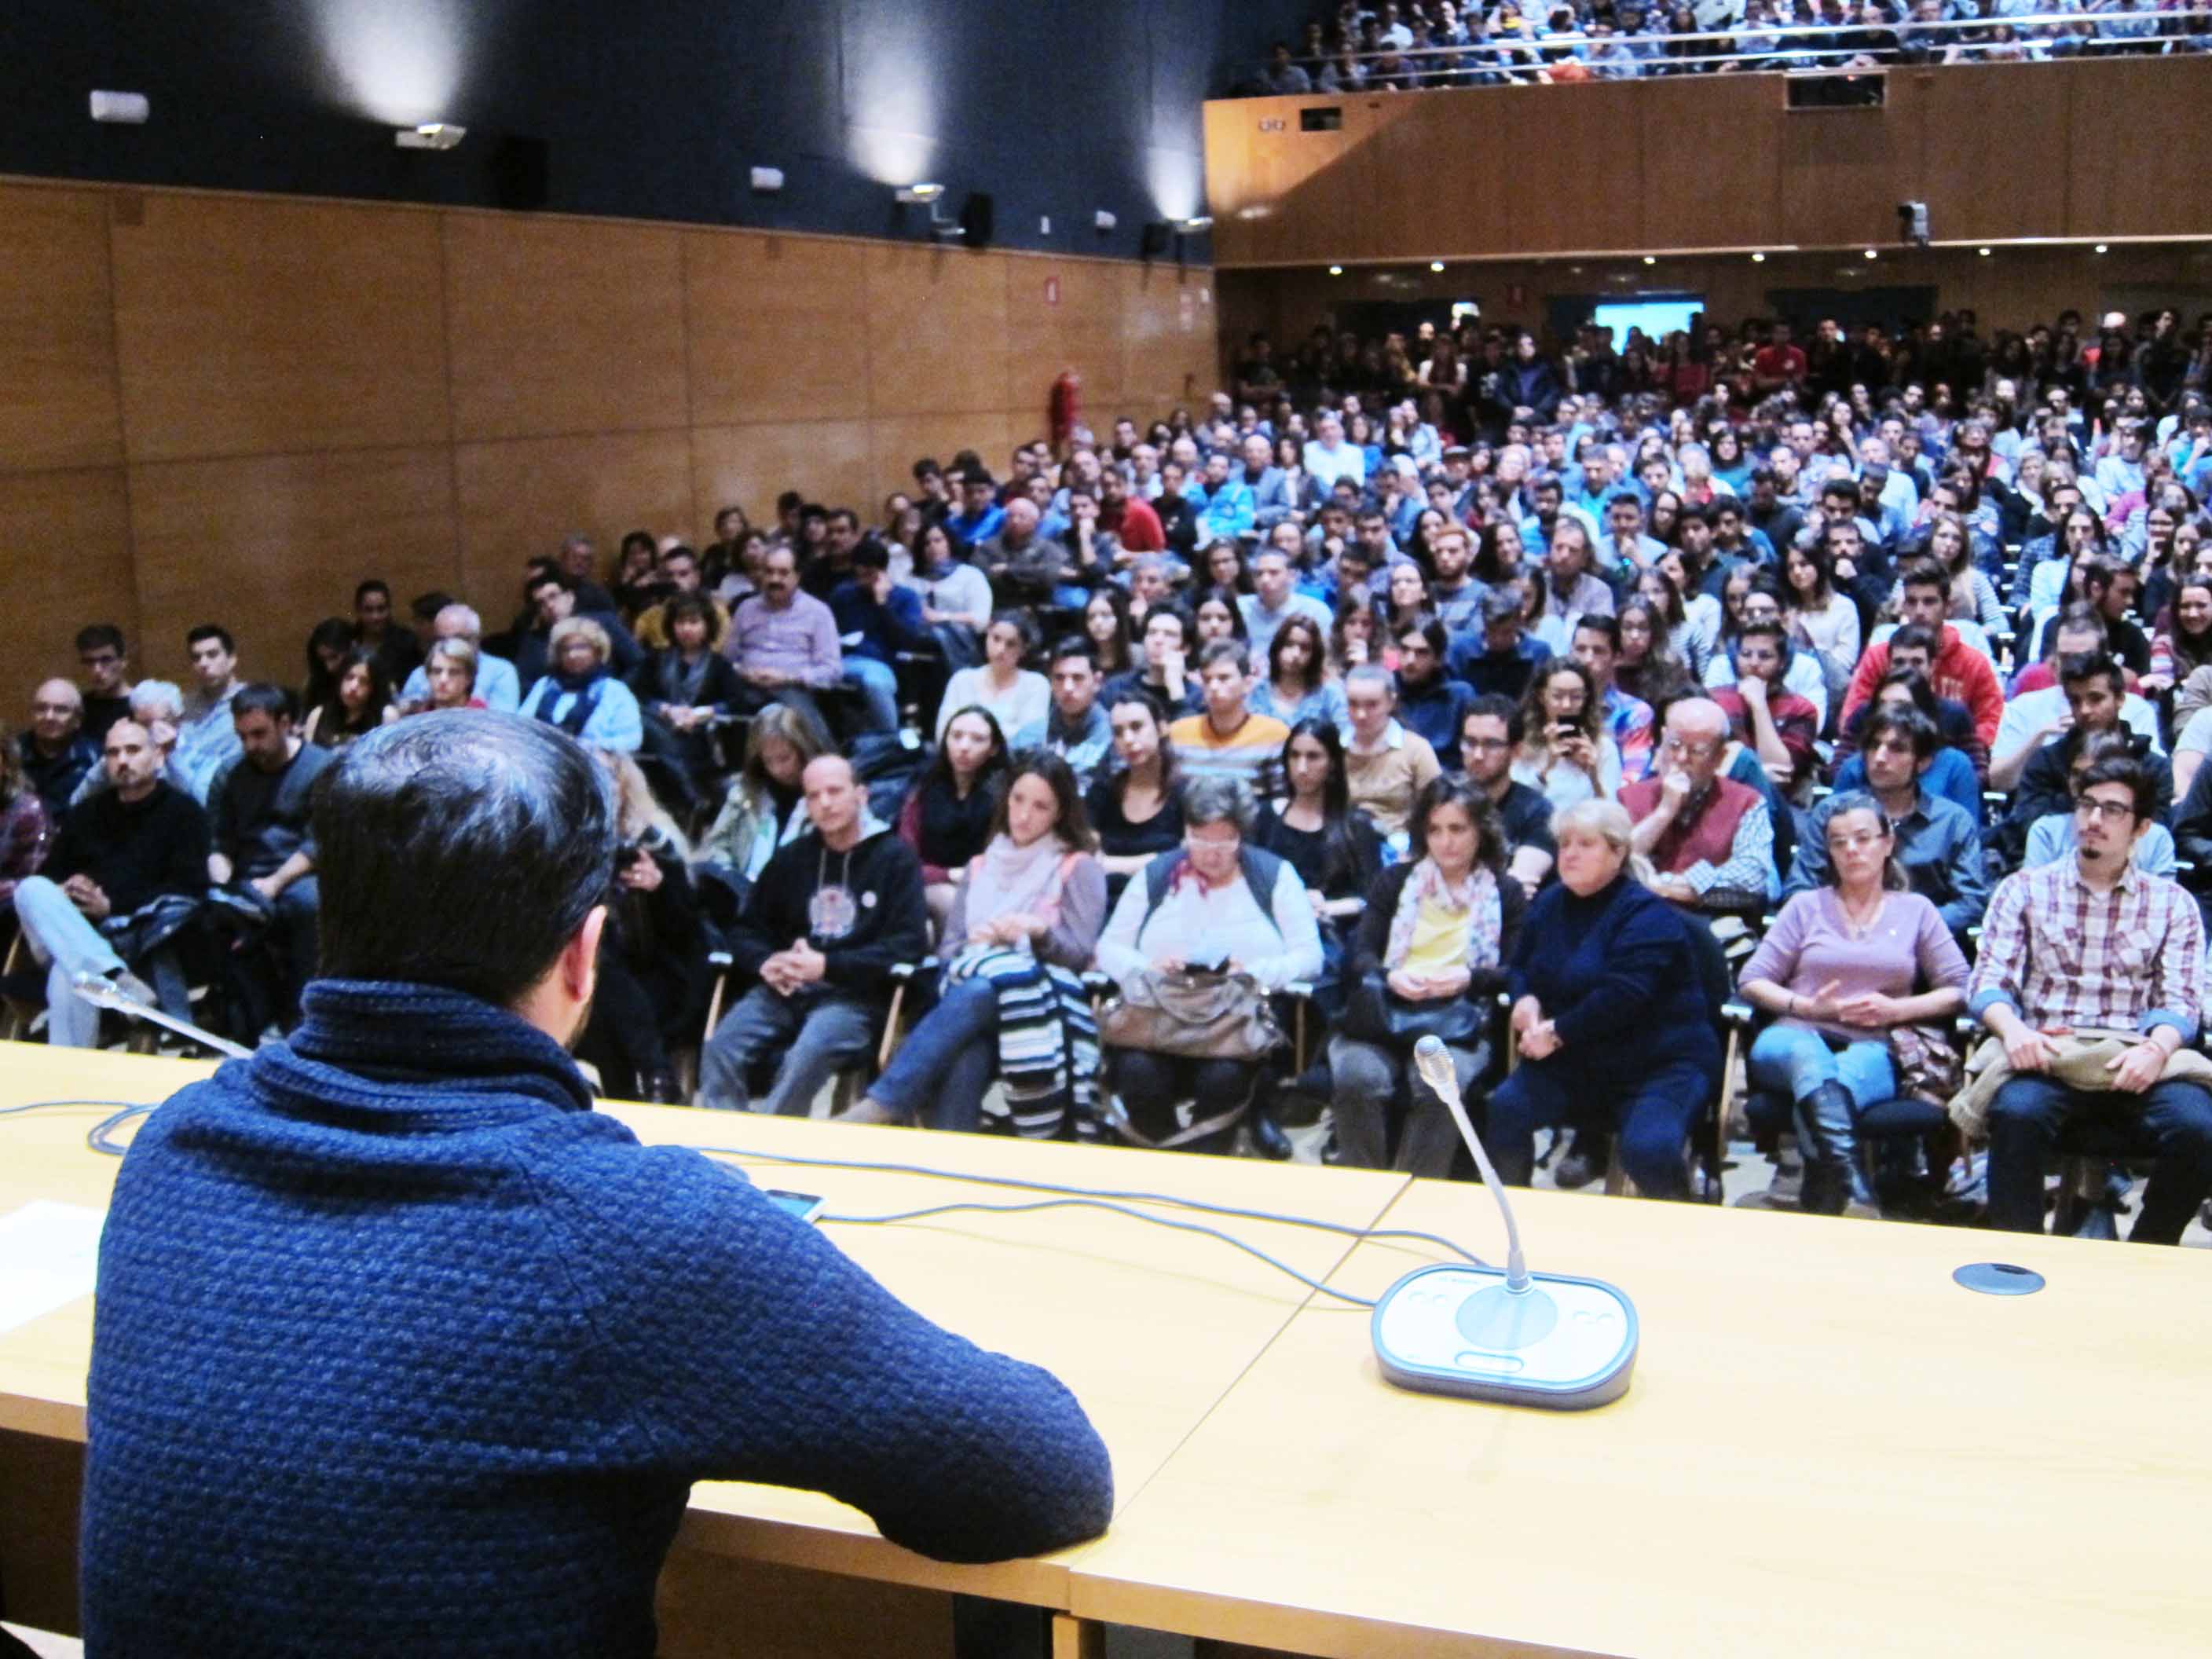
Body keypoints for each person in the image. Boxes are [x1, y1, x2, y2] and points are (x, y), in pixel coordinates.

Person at [81, 712, 1111, 1656]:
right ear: (584, 956)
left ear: (329, 920)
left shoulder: (173, 1150)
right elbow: (1041, 1475)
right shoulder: (633, 1228)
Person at [1967, 756, 2212, 1245]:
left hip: (2136, 1055)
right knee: (2016, 1113)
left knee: (2198, 1128)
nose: (2094, 819)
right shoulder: (2024, 889)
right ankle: (2019, 1254)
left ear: (2141, 828)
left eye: (2112, 810)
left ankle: (2149, 1251)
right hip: (2047, 1052)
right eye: (2086, 805)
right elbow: (1988, 983)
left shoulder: (2172, 903)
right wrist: (2014, 1032)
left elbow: (2182, 1000)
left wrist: (2157, 1049)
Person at [843, 753, 1108, 1137]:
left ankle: (883, 1102)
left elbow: (1080, 955)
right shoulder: (980, 866)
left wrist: (1039, 933)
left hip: (1042, 1011)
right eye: (1018, 800)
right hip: (972, 1000)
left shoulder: (1078, 867)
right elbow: (949, 951)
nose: (1024, 815)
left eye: (1040, 806)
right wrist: (977, 943)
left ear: (1060, 813)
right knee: (970, 1046)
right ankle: (946, 1155)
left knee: (984, 991)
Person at [1740, 793, 1971, 1215]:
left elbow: (1959, 989)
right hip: (1795, 1033)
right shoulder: (1805, 906)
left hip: (1876, 1042)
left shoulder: (1916, 910)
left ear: (1887, 844)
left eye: (1863, 838)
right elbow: (1752, 980)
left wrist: (1897, 1011)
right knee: (1808, 1058)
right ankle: (1855, 1191)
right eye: (1839, 842)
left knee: (1836, 1085)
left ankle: (1826, 1193)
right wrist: (1806, 1007)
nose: (1851, 850)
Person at [1487, 799, 1721, 1200]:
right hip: (1578, 1058)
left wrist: (1556, 1033)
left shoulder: (1649, 915)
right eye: (1565, 844)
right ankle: (1514, 1217)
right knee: (1505, 1110)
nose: (1570, 854)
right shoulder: (1549, 903)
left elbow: (1623, 996)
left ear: (1618, 853)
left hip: (1660, 1063)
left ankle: (1685, 1222)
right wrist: (1524, 999)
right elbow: (1520, 965)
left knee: (1648, 1150)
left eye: (1585, 844)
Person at [1095, 775, 1323, 1152]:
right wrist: (1149, 968)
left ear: (1242, 836)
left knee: (1225, 1078)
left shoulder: (1273, 876)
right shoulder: (1157, 875)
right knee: (1138, 1073)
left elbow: (1310, 957)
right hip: (1159, 1017)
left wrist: (1252, 973)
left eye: (1224, 841)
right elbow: (1109, 947)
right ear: (1185, 832)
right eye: (1199, 839)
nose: (1211, 853)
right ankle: (1163, 1156)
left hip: (1233, 1026)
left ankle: (1205, 1158)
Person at [701, 754, 931, 1115]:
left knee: (807, 1054)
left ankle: (772, 1140)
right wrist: (766, 961)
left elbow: (908, 945)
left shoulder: (895, 859)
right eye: (813, 795)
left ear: (861, 795)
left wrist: (827, 965)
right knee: (720, 1046)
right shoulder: (791, 858)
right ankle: (725, 1139)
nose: (825, 803)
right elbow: (745, 929)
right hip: (785, 990)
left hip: (854, 997)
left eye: (835, 791)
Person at [1330, 775, 1525, 1176]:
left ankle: (1419, 1190)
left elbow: (1516, 968)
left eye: (1457, 829)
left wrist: (1469, 978)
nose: (1445, 842)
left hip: (1458, 1017)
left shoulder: (1505, 892)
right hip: (1386, 1011)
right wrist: (1389, 976)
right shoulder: (1395, 881)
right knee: (1357, 1077)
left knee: (1439, 1085)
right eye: (1434, 830)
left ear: (1481, 831)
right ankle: (1364, 1190)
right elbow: (1360, 954)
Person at [9, 718, 206, 1048]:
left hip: (138, 933)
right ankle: (115, 976)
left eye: (132, 750)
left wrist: (109, 906)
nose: (122, 760)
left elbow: (187, 888)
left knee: (71, 975)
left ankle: (71, 1073)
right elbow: (50, 874)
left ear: (158, 756)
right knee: (30, 889)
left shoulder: (184, 813)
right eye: (113, 753)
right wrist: (66, 890)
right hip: (72, 927)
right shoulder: (86, 813)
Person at [573, 751, 708, 1104]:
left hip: (658, 972)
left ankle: (638, 1085)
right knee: (597, 975)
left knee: (600, 982)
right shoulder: (567, 839)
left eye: (606, 777)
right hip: (595, 974)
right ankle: (651, 1079)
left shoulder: (653, 839)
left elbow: (688, 930)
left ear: (623, 786)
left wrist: (659, 887)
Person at [1789, 707, 1989, 939]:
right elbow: (1800, 889)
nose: (1880, 758)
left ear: (1923, 762)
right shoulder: (1831, 813)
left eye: (1897, 749)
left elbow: (1970, 902)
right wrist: (1849, 924)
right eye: (1874, 746)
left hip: (1922, 943)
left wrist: (1907, 926)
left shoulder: (1953, 821)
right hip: (1841, 939)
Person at [207, 684, 333, 1025]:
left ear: (285, 723)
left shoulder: (321, 768)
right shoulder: (230, 774)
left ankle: (305, 1016)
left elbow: (319, 843)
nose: (251, 746)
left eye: (259, 734)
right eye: (243, 737)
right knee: (211, 914)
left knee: (308, 905)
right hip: (248, 878)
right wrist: (223, 889)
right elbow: (220, 842)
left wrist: (274, 883)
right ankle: (249, 1020)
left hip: (300, 875)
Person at [1621, 698, 1773, 916]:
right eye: (1674, 746)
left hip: (1712, 924)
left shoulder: (1747, 802)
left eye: (1697, 751)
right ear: (1662, 739)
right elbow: (1615, 863)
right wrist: (1664, 811)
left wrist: (1663, 884)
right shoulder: (1628, 797)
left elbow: (1751, 878)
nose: (1682, 758)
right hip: (1635, 920)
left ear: (1720, 757)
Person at [694, 701, 833, 915]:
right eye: (769, 761)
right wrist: (730, 875)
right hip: (742, 893)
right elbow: (717, 845)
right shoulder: (742, 794)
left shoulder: (827, 799)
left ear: (803, 750)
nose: (778, 769)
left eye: (785, 758)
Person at [899, 705, 1009, 929]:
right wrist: (948, 875)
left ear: (994, 748)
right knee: (947, 900)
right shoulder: (924, 785)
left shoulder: (1003, 795)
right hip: (926, 881)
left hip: (985, 886)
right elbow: (906, 859)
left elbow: (1002, 861)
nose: (964, 747)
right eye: (956, 736)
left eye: (978, 739)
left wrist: (968, 877)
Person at [723, 544, 844, 733]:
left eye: (783, 573)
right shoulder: (746, 609)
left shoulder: (818, 612)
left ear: (797, 576)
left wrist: (788, 678)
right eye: (769, 572)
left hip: (794, 690)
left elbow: (832, 671)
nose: (775, 579)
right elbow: (728, 660)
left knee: (794, 720)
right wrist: (744, 672)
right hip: (747, 689)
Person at [2027, 731, 2177, 878]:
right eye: (2076, 774)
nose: (2080, 783)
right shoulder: (2046, 832)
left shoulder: (2157, 839)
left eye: (2092, 774)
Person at [1087, 690, 1186, 895]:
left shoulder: (1186, 793)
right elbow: (1086, 860)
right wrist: (1153, 861)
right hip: (1105, 897)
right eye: (1118, 732)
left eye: (1137, 727)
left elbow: (1187, 860)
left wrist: (1108, 864)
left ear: (1162, 728)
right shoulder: (1103, 791)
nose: (1128, 739)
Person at [1459, 695, 1557, 895]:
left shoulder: (1537, 811)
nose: (1478, 755)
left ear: (1516, 751)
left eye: (1491, 744)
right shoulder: (1442, 801)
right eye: (1470, 742)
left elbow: (1518, 888)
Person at [827, 537, 926, 732]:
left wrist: (882, 604)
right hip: (843, 659)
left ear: (882, 571)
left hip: (883, 662)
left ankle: (890, 737)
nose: (863, 581)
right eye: (859, 575)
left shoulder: (905, 597)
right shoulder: (843, 594)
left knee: (875, 682)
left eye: (869, 575)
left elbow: (907, 640)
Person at [1167, 639, 1289, 797]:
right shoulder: (1178, 733)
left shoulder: (1274, 735)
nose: (1213, 687)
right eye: (1207, 679)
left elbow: (1280, 802)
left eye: (1224, 678)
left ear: (1247, 684)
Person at [1342, 665, 1442, 841]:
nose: (1361, 714)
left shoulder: (1416, 749)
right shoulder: (1334, 748)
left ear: (1391, 702)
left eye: (1372, 705)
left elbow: (1437, 807)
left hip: (1400, 843)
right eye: (1353, 704)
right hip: (1345, 842)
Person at [517, 617, 646, 753]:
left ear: (598, 651)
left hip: (591, 761)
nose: (572, 655)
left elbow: (631, 739)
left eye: (581, 647)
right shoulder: (545, 685)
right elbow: (520, 726)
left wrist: (584, 746)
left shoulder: (614, 691)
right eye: (565, 649)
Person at [1511, 660, 1620, 812]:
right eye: (1557, 696)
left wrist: (1593, 776)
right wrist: (1546, 769)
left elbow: (1612, 814)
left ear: (1586, 698)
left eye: (1576, 697)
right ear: (1541, 697)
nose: (1566, 705)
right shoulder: (1521, 746)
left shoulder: (1604, 747)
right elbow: (1514, 808)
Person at [936, 610, 1049, 741]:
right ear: (987, 637)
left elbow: (1031, 739)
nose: (1001, 649)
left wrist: (970, 732)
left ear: (1023, 649)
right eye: (996, 639)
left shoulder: (1036, 684)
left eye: (1011, 644)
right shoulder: (961, 680)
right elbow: (943, 734)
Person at [397, 604, 523, 713]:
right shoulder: (419, 674)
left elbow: (503, 723)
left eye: (458, 639)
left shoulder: (501, 671)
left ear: (476, 638)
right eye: (441, 639)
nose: (449, 645)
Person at [175, 624, 246, 800]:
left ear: (232, 659)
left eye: (212, 655)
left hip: (233, 794)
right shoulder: (183, 706)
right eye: (196, 658)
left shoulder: (250, 701)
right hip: (186, 796)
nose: (204, 664)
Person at [1246, 613, 1348, 731]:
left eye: (1305, 648)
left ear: (1314, 655)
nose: (1296, 654)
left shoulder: (1330, 695)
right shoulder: (1256, 692)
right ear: (1277, 647)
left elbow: (1346, 734)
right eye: (1289, 644)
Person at [20, 679, 97, 819]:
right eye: (41, 708)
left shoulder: (94, 758)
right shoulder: (12, 753)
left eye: (61, 710)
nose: (49, 717)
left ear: (78, 719)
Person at [300, 646, 398, 749]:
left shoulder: (386, 716)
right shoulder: (318, 714)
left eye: (364, 681)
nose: (353, 687)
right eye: (349, 677)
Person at [75, 623, 134, 747]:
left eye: (106, 660)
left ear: (123, 660)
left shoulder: (142, 704)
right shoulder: (79, 707)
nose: (97, 670)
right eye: (89, 662)